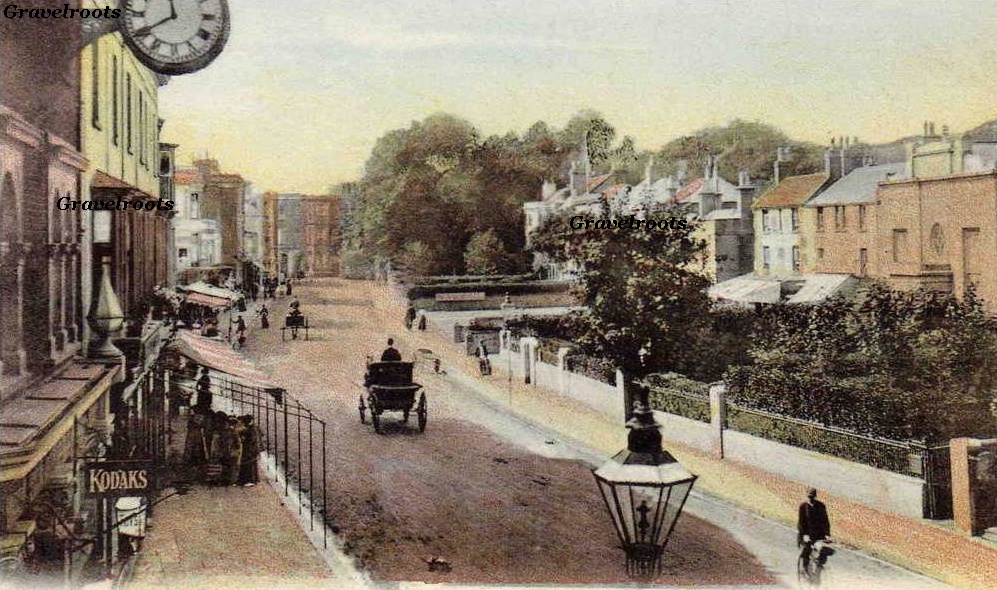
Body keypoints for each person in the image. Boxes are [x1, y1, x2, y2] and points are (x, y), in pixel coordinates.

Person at [797, 487, 831, 571]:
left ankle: (818, 569)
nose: (810, 499)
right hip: (806, 535)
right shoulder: (803, 507)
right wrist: (804, 534)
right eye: (809, 497)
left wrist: (827, 533)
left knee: (822, 551)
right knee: (807, 549)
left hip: (818, 535)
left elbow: (825, 520)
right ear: (807, 496)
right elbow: (801, 523)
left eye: (812, 497)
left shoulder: (821, 506)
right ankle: (805, 568)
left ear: (815, 496)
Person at [237, 415, 262, 487]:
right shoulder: (252, 428)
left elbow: (252, 439)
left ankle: (250, 480)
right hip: (252, 449)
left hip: (251, 449)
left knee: (249, 464)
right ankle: (252, 479)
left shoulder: (252, 429)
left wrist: (244, 439)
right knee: (252, 464)